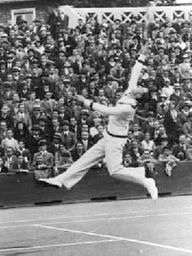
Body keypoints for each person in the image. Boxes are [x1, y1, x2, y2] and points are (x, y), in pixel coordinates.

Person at [38, 48, 158, 199]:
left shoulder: (129, 108)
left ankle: (145, 180)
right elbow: (135, 72)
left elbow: (107, 111)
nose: (138, 86)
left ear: (139, 96)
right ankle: (59, 180)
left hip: (116, 140)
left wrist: (86, 102)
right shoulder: (130, 92)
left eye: (141, 88)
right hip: (108, 136)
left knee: (114, 171)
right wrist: (142, 56)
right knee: (84, 160)